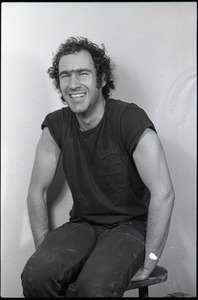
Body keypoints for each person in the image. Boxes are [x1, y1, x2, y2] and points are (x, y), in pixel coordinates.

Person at [21, 36, 175, 297]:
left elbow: (164, 193)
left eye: (83, 73)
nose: (73, 84)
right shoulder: (55, 125)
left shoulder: (129, 118)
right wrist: (43, 251)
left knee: (94, 288)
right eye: (65, 75)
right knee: (36, 276)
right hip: (83, 224)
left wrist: (150, 260)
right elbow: (37, 191)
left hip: (131, 226)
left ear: (101, 78)